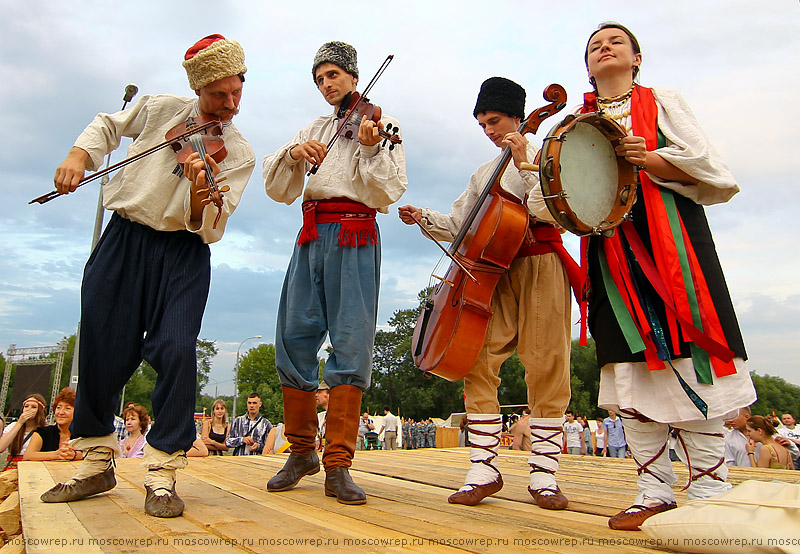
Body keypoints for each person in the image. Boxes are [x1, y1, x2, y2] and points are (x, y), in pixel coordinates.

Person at [40, 33, 254, 518]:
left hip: (183, 250)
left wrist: (201, 201)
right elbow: (107, 126)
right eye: (219, 95)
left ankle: (162, 471)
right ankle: (95, 459)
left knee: (177, 348)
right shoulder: (160, 109)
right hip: (124, 237)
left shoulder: (238, 152)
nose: (230, 104)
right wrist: (80, 156)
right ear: (199, 89)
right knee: (99, 339)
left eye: (237, 91)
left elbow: (213, 225)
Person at [580, 22, 757, 531]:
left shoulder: (663, 100)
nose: (604, 48)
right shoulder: (578, 121)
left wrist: (653, 159)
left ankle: (709, 484)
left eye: (615, 41)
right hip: (610, 255)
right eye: (594, 46)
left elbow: (714, 172)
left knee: (693, 355)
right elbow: (560, 194)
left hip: (673, 245)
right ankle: (652, 489)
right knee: (627, 365)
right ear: (587, 66)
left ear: (636, 57)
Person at [398, 76, 574, 510]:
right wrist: (424, 217)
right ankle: (483, 467)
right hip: (496, 273)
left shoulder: (550, 155)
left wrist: (528, 166)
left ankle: (545, 474)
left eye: (495, 121)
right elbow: (464, 225)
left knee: (547, 361)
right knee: (477, 358)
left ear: (519, 117)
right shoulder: (484, 172)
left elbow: (564, 206)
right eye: (482, 125)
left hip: (542, 266)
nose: (490, 131)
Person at [263, 41, 407, 506]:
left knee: (351, 338)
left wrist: (368, 151)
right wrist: (292, 153)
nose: (327, 84)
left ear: (352, 75)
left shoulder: (382, 125)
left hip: (355, 235)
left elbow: (389, 191)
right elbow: (279, 190)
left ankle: (339, 464)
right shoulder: (315, 128)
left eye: (334, 75)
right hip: (310, 235)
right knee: (293, 334)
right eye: (320, 78)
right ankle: (302, 452)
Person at [25, 388, 82, 462]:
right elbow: (28, 455)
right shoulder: (42, 432)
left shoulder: (82, 435)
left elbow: (90, 454)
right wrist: (57, 454)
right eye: (58, 407)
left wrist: (74, 455)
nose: (61, 412)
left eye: (67, 408)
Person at [0, 394, 47, 470]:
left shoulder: (45, 429)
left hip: (33, 468)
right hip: (12, 468)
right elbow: (1, 447)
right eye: (26, 406)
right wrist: (19, 423)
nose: (29, 409)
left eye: (34, 407)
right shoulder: (13, 426)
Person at [315, 381, 330, 452]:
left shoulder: (341, 417)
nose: (316, 395)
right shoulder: (320, 416)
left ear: (329, 394)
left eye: (319, 392)